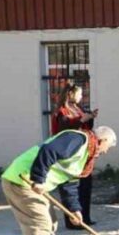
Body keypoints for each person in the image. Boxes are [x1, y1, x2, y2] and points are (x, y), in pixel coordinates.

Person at [1, 125, 118, 235]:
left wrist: (74, 209)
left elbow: (69, 184)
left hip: (30, 184)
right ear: (102, 140)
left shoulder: (84, 156)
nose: (105, 151)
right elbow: (49, 151)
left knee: (51, 222)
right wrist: (38, 179)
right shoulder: (78, 139)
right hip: (22, 180)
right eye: (108, 147)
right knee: (41, 224)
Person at [50, 84, 97, 226]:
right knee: (70, 188)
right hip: (69, 154)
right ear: (71, 94)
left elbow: (85, 127)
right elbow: (64, 129)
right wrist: (81, 120)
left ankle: (85, 217)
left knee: (85, 186)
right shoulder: (62, 111)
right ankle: (72, 221)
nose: (81, 97)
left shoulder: (77, 108)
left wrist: (90, 117)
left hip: (83, 153)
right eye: (79, 94)